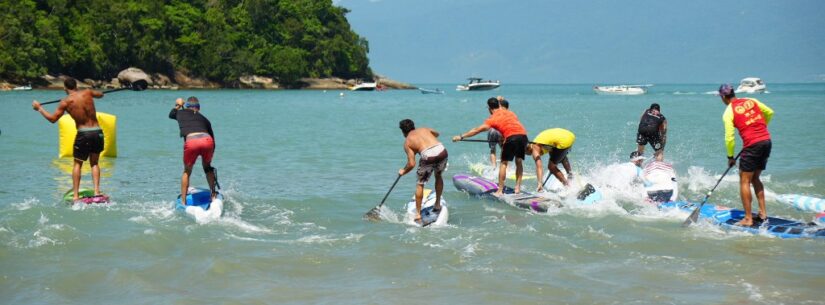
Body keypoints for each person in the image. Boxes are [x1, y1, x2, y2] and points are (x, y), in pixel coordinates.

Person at [32, 78, 106, 201]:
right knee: (94, 163)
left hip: (83, 134)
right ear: (76, 85)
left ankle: (76, 196)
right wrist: (93, 93)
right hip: (98, 132)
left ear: (65, 88)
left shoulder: (65, 102)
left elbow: (52, 119)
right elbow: (101, 94)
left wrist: (39, 108)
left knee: (78, 164)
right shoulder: (87, 92)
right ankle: (97, 192)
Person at [719, 84, 774, 226]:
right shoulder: (751, 100)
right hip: (766, 141)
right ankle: (763, 213)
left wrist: (730, 157)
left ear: (723, 97)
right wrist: (759, 128)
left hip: (752, 145)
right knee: (755, 177)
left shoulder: (728, 112)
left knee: (744, 180)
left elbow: (729, 137)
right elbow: (769, 112)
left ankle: (748, 218)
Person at [453, 98, 528, 196]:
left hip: (511, 137)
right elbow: (510, 125)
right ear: (499, 105)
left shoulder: (492, 119)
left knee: (504, 163)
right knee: (518, 161)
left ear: (489, 108)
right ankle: (517, 188)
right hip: (523, 135)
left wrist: (461, 137)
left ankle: (500, 190)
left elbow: (476, 130)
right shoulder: (510, 112)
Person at [398, 119, 447, 224]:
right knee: (438, 176)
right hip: (441, 150)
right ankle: (437, 204)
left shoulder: (407, 142)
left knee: (420, 184)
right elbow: (437, 133)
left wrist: (403, 171)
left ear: (403, 131)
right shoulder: (424, 129)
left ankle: (418, 214)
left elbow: (411, 164)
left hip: (428, 156)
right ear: (413, 126)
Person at [169, 97, 217, 205]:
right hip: (207, 140)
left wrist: (178, 105)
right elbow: (213, 140)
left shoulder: (181, 113)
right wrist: (209, 161)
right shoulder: (205, 119)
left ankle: (183, 202)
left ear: (186, 107)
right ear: (198, 108)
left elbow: (171, 114)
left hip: (192, 142)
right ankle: (213, 196)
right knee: (208, 169)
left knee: (187, 171)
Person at [486, 98, 509, 168]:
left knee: (492, 150)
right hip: (500, 130)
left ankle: (493, 167)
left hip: (492, 130)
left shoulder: (493, 111)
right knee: (503, 148)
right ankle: (504, 166)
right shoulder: (504, 111)